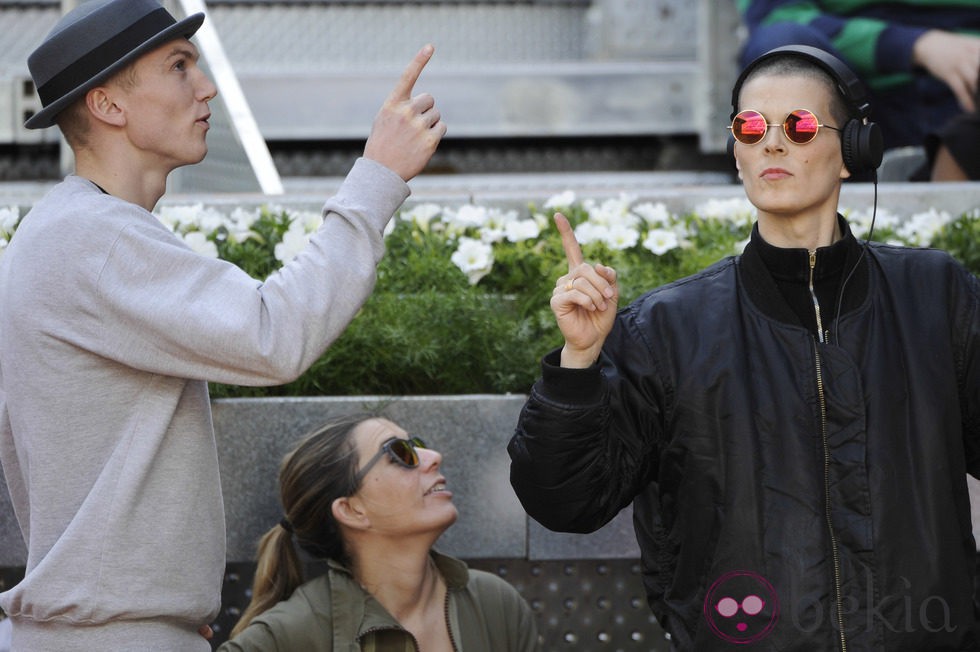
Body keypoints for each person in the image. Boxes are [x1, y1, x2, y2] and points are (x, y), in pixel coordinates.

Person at [0, 0, 445, 648]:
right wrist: (376, 177)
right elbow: (274, 334)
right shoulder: (92, 240)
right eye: (180, 67)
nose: (206, 86)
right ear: (109, 106)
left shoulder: (67, 233)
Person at [508, 44, 980, 650]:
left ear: (854, 152)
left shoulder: (935, 296)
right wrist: (577, 365)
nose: (772, 144)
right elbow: (564, 502)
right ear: (735, 151)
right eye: (750, 127)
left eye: (800, 126)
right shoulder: (665, 327)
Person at [218, 414, 539, 651]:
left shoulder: (496, 605)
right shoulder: (291, 634)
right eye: (400, 453)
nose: (434, 457)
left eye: (418, 446)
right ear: (352, 510)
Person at [736, 0, 980, 155]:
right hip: (847, 104)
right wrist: (915, 45)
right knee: (784, 47)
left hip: (968, 99)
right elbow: (777, 16)